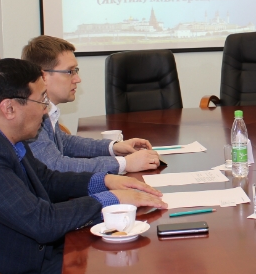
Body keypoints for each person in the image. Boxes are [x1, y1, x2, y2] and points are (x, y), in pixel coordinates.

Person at [0, 59, 167, 274]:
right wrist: (112, 200)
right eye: (42, 100)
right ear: (9, 108)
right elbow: (43, 222)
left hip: (19, 256)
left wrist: (107, 181)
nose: (46, 110)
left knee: (121, 265)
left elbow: (46, 179)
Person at [21, 35, 160, 173]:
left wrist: (113, 147)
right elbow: (56, 166)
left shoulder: (48, 109)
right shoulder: (31, 116)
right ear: (43, 76)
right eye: (70, 72)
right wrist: (124, 163)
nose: (77, 79)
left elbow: (65, 143)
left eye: (76, 71)